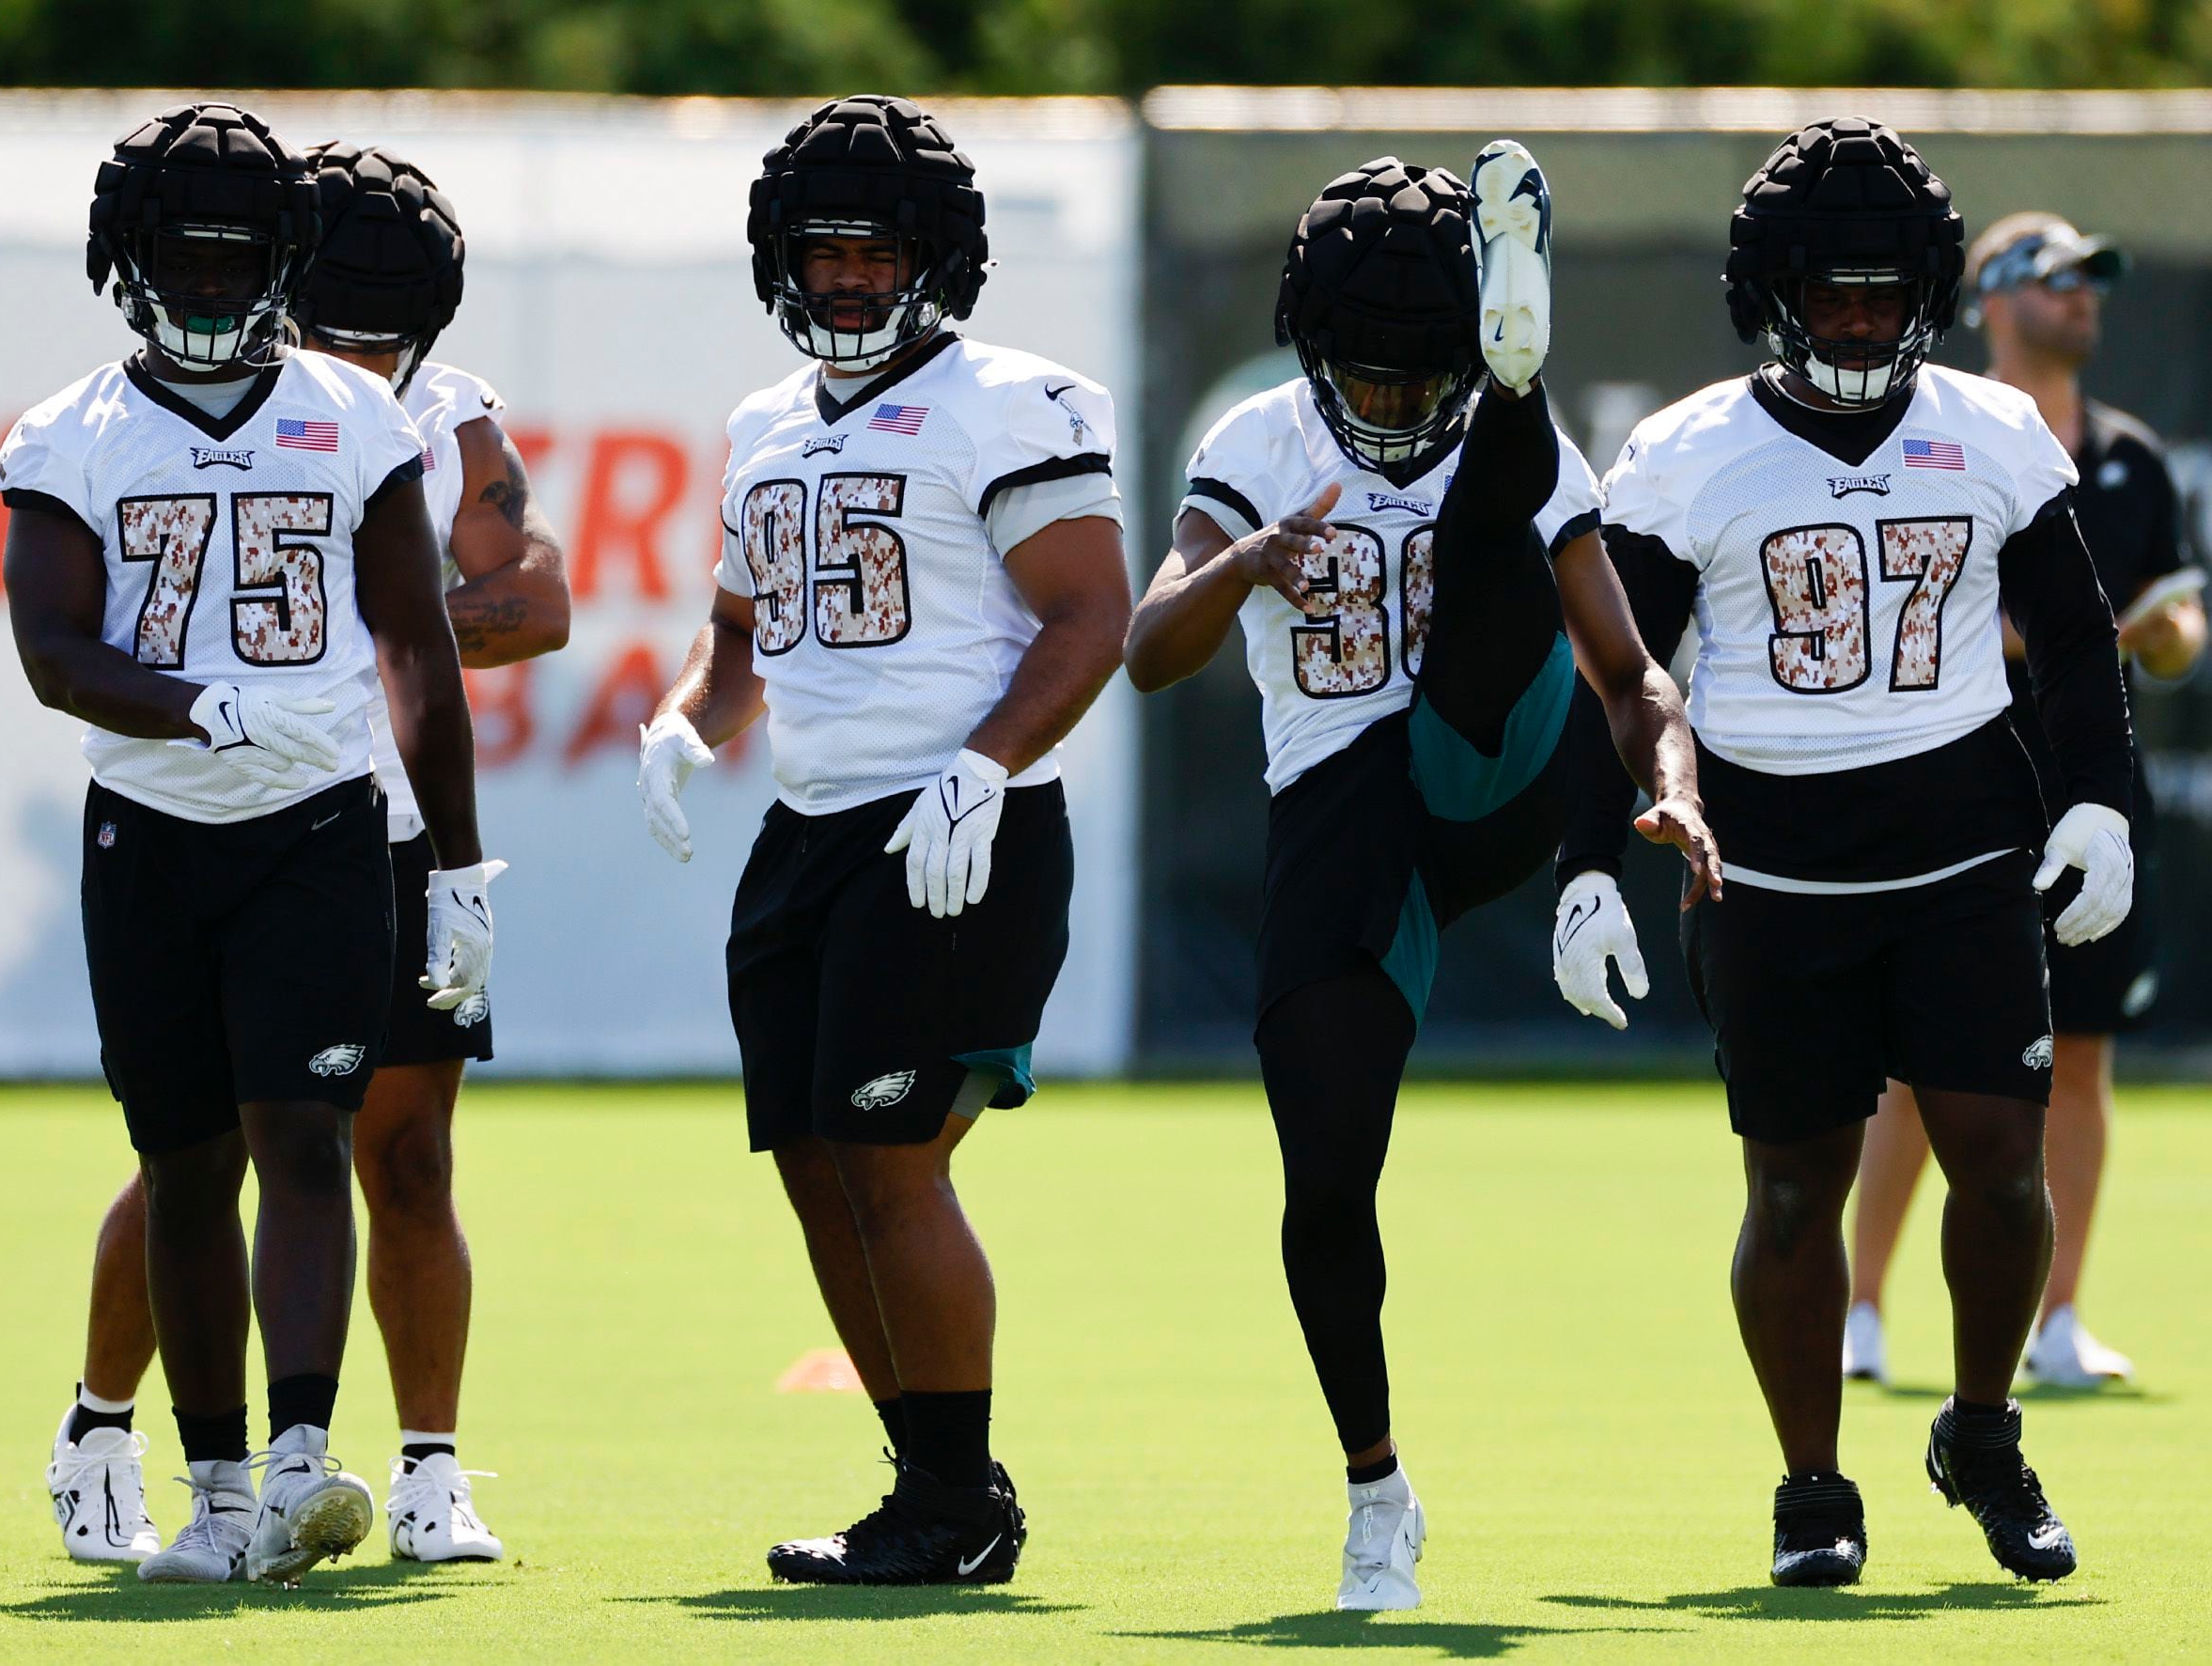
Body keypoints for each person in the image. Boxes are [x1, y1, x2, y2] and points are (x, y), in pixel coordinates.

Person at [1125, 146, 1717, 1611]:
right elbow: (1146, 649)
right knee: (1325, 1180)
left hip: (1489, 770)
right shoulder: (1261, 445)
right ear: (1314, 352)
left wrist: (1661, 806)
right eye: (1367, 378)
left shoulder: (1517, 456)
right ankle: (1376, 1489)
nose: (1388, 406)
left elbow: (1631, 671)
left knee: (1491, 536)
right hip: (1339, 813)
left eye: (1421, 376)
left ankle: (1523, 370)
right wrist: (1243, 564)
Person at [1561, 117, 2136, 1588]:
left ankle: (1985, 1431)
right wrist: (1585, 857)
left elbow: (2074, 645)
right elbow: (1618, 674)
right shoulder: (1689, 452)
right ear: (1776, 294)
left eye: (1886, 294)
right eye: (1836, 295)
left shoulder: (1996, 429)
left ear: (1929, 292)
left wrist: (2100, 801)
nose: (1863, 320)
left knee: (2002, 1169)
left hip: (1958, 844)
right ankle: (1811, 1487)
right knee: (1794, 1189)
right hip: (1769, 864)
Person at [42, 140, 568, 1570]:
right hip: (210, 809)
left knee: (396, 1159)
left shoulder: (439, 418)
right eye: (338, 322)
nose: (358, 352)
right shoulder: (169, 399)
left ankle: (426, 1469)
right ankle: (100, 1425)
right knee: (189, 1159)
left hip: (373, 827)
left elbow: (539, 600)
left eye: (385, 334)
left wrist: (341, 653)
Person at [637, 94, 1130, 1585]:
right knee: (812, 1163)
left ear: (936, 258)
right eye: (823, 249)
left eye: (874, 249)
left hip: (953, 827)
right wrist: (683, 723)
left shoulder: (1018, 399)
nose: (846, 277)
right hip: (808, 831)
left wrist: (983, 767)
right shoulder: (763, 422)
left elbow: (1091, 614)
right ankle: (929, 1488)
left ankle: (958, 1499)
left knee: (888, 1156)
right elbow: (736, 641)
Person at [1844, 212, 2204, 1390]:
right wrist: (2054, 636)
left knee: (2084, 1060)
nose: (2085, 300)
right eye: (2059, 281)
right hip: (1961, 788)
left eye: (2094, 282)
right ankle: (1859, 1309)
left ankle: (2058, 1320)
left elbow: (2176, 620)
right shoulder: (1946, 434)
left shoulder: (2134, 459)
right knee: (1914, 1065)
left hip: (2097, 801)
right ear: (1994, 298)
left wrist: (2162, 638)